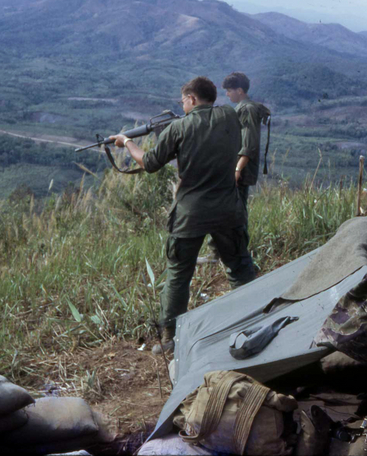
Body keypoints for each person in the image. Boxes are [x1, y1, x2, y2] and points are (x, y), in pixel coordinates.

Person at [110, 76, 256, 354]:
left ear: (190, 99)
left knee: (179, 273)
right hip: (229, 209)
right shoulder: (228, 115)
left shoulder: (179, 127)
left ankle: (169, 339)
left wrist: (127, 142)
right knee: (239, 266)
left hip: (191, 214)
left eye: (184, 101)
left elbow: (151, 163)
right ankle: (252, 321)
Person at [221, 72, 270, 220]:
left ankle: (239, 243)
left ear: (240, 91)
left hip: (240, 172)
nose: (227, 94)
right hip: (237, 169)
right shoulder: (242, 108)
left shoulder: (247, 109)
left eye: (229, 90)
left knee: (237, 215)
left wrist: (237, 169)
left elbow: (249, 144)